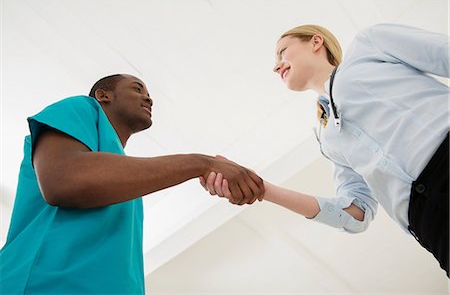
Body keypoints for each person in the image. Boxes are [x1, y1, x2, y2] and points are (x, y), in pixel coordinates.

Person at [202, 23, 449, 276]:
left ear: (316, 42)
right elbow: (356, 214)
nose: (276, 66)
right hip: (430, 222)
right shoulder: (327, 138)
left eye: (282, 52)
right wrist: (261, 188)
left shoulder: (369, 46)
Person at [0, 74, 264, 294]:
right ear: (104, 95)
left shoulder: (124, 181)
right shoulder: (82, 108)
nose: (149, 98)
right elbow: (63, 180)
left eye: (149, 93)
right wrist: (201, 163)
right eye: (138, 89)